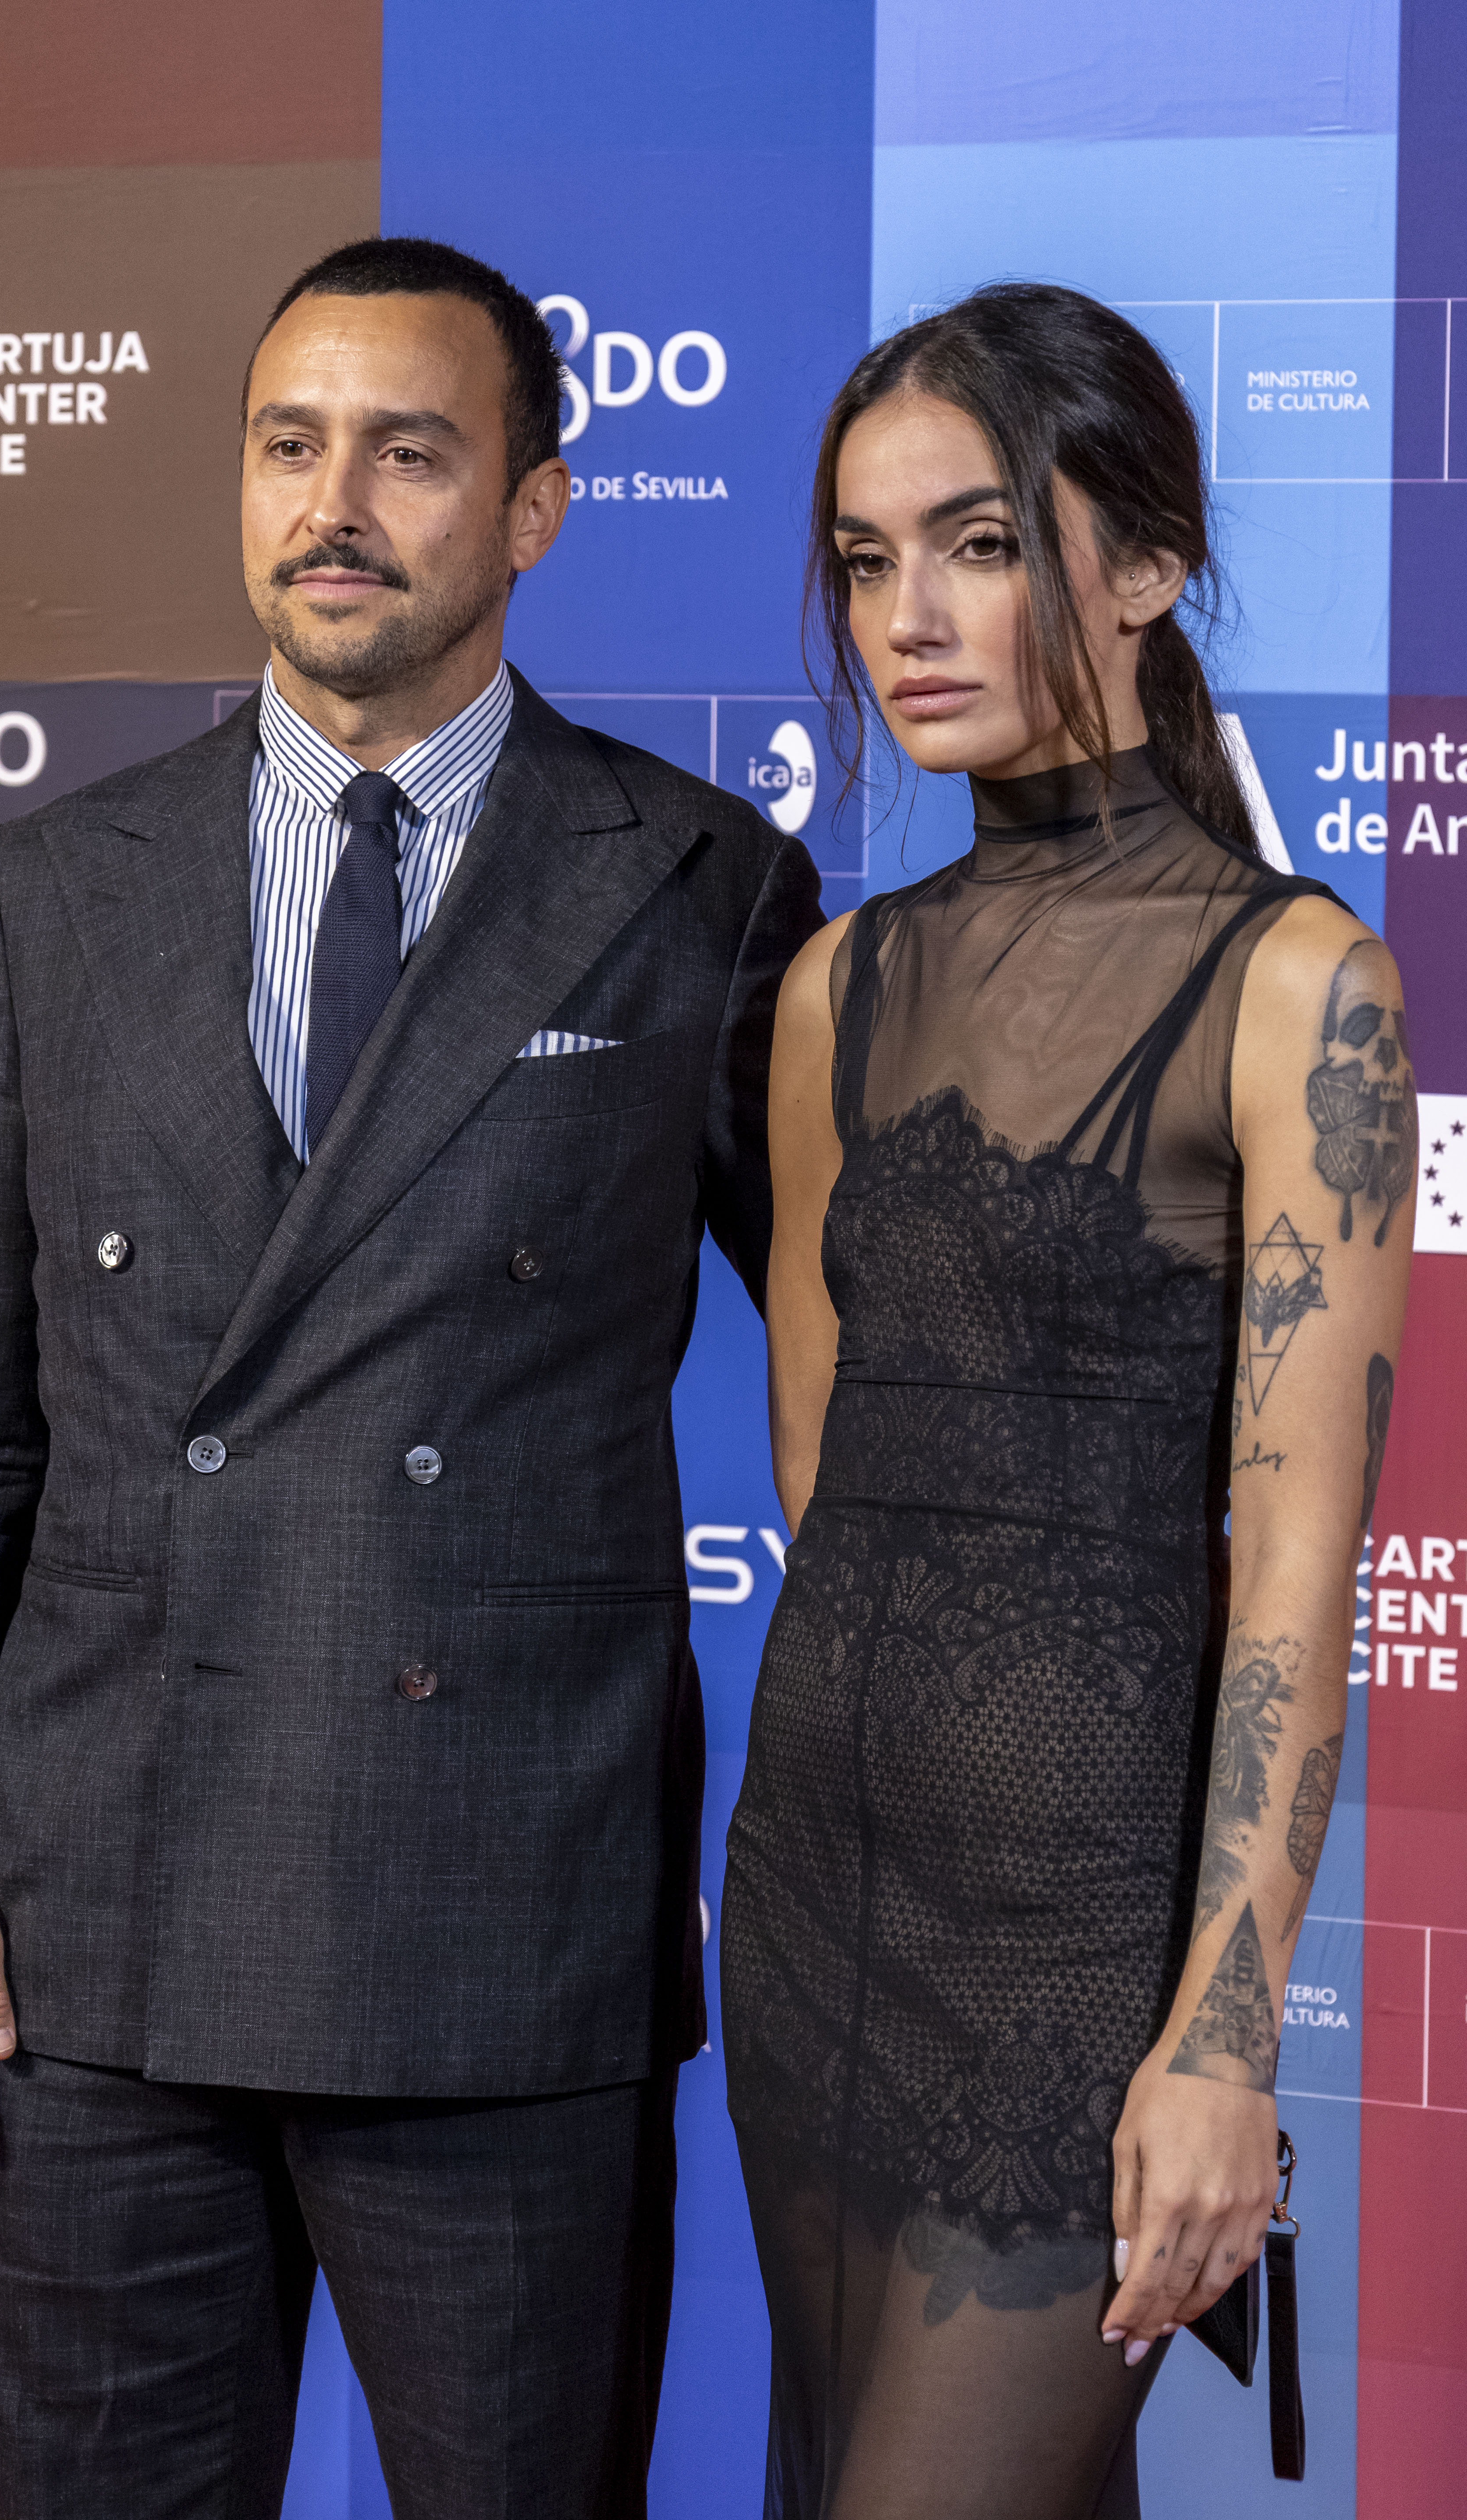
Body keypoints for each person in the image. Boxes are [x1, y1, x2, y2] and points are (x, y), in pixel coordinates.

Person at [0, 234, 823, 2520]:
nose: (336, 504)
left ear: (537, 506)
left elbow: (855, 1394)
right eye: (290, 445)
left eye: (410, 452)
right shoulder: (54, 888)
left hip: (510, 1929)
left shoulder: (700, 885)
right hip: (96, 1935)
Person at [720, 283, 1415, 2520]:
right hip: (812, 1897)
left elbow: (1295, 1571)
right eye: (866, 560)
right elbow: (821, 1468)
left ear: (1146, 564)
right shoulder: (843, 984)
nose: (908, 619)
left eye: (982, 542)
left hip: (1079, 1943)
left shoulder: (1299, 987)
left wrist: (1223, 2034)